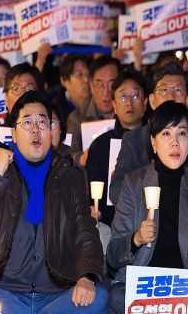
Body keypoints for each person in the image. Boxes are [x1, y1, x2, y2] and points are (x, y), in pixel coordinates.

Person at [0, 91, 108, 314]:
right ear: (13, 133)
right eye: (27, 123)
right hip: (7, 291)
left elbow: (86, 231)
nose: (35, 130)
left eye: (43, 122)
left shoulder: (69, 176)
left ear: (53, 131)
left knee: (98, 297)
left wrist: (87, 276)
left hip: (57, 292)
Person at [107, 101, 188, 313]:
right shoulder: (134, 183)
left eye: (182, 134)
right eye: (166, 134)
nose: (175, 143)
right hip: (144, 286)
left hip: (183, 288)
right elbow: (113, 255)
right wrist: (136, 239)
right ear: (153, 143)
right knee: (115, 297)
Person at [110, 61, 188, 204]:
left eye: (178, 90)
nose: (170, 97)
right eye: (163, 90)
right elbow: (116, 192)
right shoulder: (134, 140)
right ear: (152, 101)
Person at [85, 71, 147, 226]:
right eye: (123, 97)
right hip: (110, 223)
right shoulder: (101, 145)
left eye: (135, 96)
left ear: (146, 102)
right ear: (114, 104)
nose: (129, 103)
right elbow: (93, 189)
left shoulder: (158, 141)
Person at [67, 56, 120, 163]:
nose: (106, 92)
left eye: (112, 85)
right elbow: (68, 152)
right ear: (91, 86)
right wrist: (81, 159)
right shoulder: (77, 118)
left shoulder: (128, 113)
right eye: (100, 85)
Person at [52, 55, 91, 126]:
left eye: (88, 74)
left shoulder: (99, 103)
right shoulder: (55, 110)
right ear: (64, 81)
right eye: (80, 75)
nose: (86, 80)